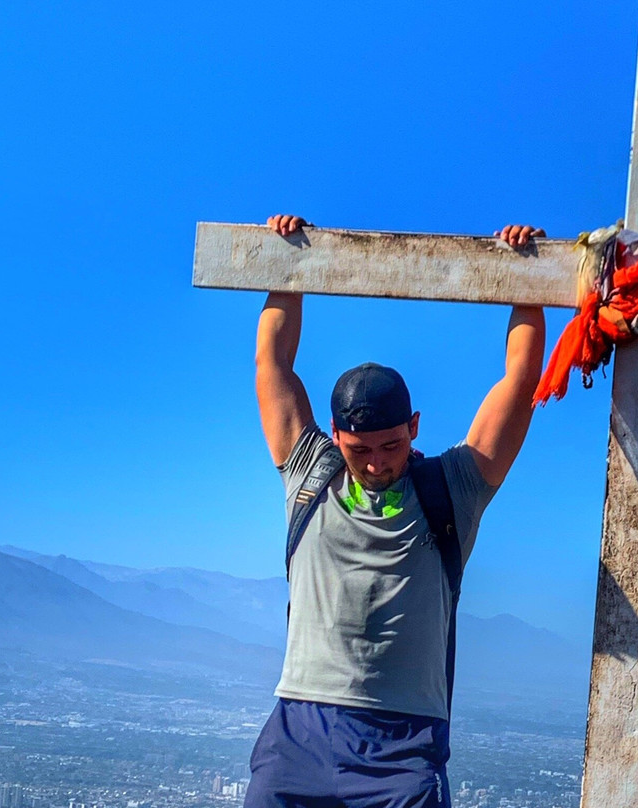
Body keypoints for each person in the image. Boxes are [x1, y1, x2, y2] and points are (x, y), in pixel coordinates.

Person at [245, 214, 547, 808]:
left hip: (404, 744)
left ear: (414, 428)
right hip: (299, 728)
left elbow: (521, 378)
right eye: (359, 450)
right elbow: (272, 365)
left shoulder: (451, 487)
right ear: (335, 435)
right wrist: (287, 268)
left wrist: (527, 283)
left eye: (391, 445)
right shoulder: (311, 471)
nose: (377, 463)